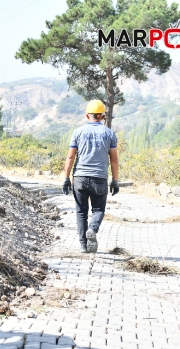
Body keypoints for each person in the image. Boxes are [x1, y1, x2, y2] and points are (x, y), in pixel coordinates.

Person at [62, 100, 119, 253]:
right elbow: (114, 159)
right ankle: (93, 229)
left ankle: (83, 245)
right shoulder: (109, 133)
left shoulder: (78, 132)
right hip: (99, 178)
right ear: (103, 116)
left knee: (81, 211)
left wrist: (66, 178)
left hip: (80, 177)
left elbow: (70, 157)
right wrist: (115, 181)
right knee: (98, 209)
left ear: (87, 115)